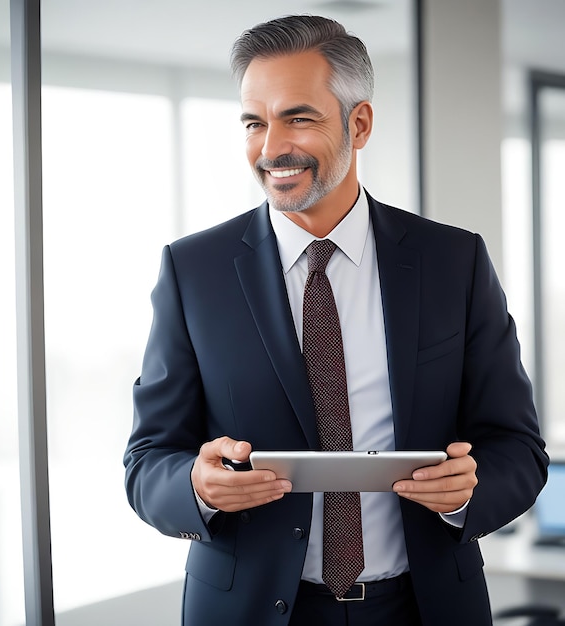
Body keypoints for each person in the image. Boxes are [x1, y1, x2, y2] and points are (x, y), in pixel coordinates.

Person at [124, 14, 548, 626]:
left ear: (360, 123)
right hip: (252, 610)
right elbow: (146, 460)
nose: (271, 148)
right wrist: (196, 486)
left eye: (298, 117)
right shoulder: (194, 271)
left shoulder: (454, 261)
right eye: (254, 122)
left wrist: (469, 491)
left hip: (424, 606)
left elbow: (519, 449)